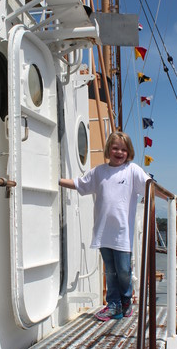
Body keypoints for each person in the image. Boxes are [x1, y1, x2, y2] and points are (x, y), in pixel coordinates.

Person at [59, 131, 149, 321]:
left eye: (123, 149)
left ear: (129, 152)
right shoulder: (99, 171)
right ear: (109, 149)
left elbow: (150, 186)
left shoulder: (132, 170)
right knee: (110, 270)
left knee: (124, 270)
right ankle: (113, 304)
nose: (119, 152)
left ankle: (126, 301)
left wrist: (174, 197)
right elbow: (80, 183)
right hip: (103, 232)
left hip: (122, 233)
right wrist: (57, 181)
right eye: (115, 148)